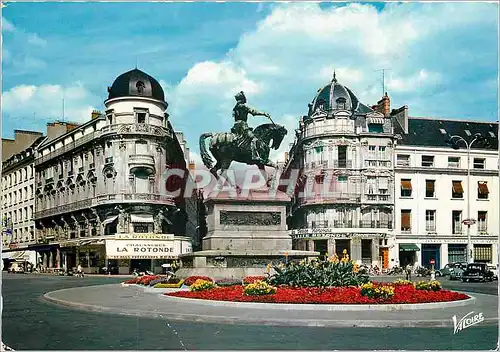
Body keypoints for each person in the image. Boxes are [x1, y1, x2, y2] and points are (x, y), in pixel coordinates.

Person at [231, 91, 272, 162]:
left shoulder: (235, 108)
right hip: (242, 125)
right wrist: (264, 113)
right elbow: (253, 112)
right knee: (254, 138)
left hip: (236, 126)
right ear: (242, 99)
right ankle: (255, 155)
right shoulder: (243, 106)